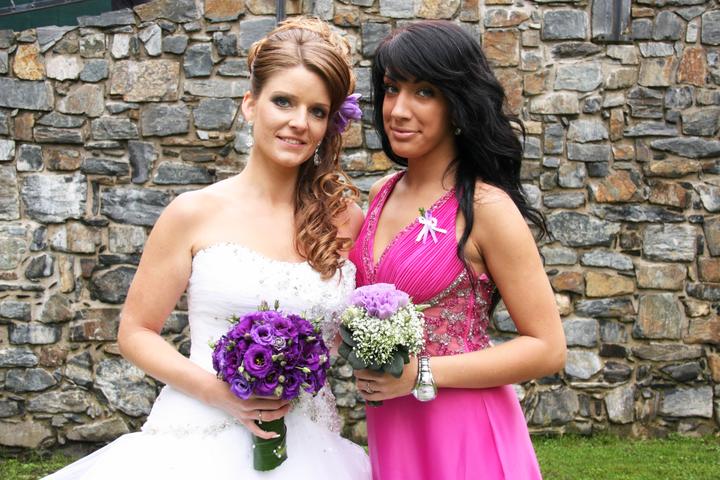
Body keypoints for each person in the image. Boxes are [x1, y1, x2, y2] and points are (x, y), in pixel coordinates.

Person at [45, 17, 370, 480]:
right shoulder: (192, 213)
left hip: (312, 446)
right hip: (198, 438)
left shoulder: (345, 221)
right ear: (250, 105)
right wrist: (221, 393)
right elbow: (135, 332)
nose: (299, 122)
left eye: (317, 111)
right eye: (283, 101)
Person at [348, 21, 566, 480]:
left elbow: (547, 349)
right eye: (392, 89)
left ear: (458, 103)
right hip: (394, 427)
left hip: (466, 430)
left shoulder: (486, 208)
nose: (398, 110)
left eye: (424, 92)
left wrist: (422, 372)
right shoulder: (381, 193)